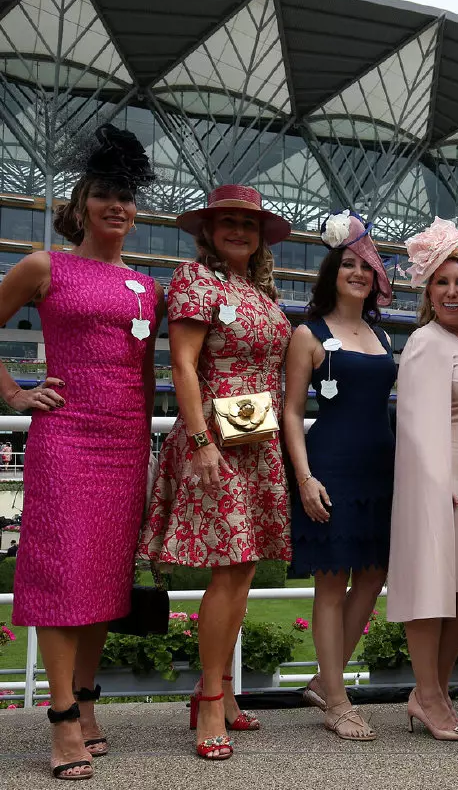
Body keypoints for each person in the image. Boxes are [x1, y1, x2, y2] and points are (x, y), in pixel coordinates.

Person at [4, 125, 159, 781]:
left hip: (126, 445)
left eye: (125, 198)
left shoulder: (146, 287)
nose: (116, 207)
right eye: (104, 195)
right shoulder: (45, 266)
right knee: (64, 575)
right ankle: (62, 717)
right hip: (66, 439)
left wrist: (151, 456)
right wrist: (15, 392)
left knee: (103, 579)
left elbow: (149, 373)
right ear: (82, 204)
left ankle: (87, 702)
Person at [139, 185, 293, 761]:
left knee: (244, 568)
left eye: (248, 224)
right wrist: (201, 441)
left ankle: (224, 692)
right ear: (207, 231)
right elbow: (181, 364)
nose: (238, 231)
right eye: (226, 221)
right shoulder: (194, 279)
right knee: (229, 567)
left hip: (256, 437)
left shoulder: (258, 291)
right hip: (215, 439)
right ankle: (207, 700)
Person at [283, 210, 395, 742]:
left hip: (380, 470)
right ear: (332, 272)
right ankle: (337, 700)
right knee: (331, 581)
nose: (358, 273)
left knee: (372, 575)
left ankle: (322, 682)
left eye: (366, 267)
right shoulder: (308, 334)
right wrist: (304, 477)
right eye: (349, 264)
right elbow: (291, 412)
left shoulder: (382, 334)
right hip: (329, 468)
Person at [388, 218, 458, 741]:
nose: (452, 292)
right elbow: (413, 425)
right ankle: (427, 696)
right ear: (429, 292)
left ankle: (436, 693)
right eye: (442, 282)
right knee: (432, 592)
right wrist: (436, 486)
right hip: (440, 482)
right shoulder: (425, 342)